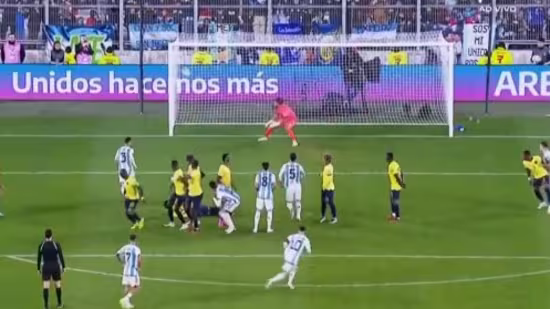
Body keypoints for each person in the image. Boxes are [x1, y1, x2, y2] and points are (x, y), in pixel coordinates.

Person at [37, 228, 65, 309]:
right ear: (51, 235)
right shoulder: (56, 244)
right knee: (58, 285)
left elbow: (39, 258)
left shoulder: (41, 245)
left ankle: (46, 306)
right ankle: (59, 304)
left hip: (46, 267)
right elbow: (60, 255)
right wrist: (63, 266)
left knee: (46, 286)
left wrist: (38, 269)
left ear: (45, 235)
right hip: (55, 266)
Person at [116, 234, 142, 309]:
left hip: (126, 270)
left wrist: (123, 262)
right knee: (136, 286)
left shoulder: (125, 247)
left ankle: (126, 304)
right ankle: (126, 299)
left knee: (127, 286)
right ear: (136, 240)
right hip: (133, 271)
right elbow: (139, 260)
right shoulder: (136, 249)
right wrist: (139, 267)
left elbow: (118, 254)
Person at [163, 160, 190, 230]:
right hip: (176, 193)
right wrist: (172, 185)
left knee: (176, 209)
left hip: (181, 194)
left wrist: (186, 188)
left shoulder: (179, 173)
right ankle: (172, 222)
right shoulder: (175, 173)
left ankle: (184, 223)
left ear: (175, 165)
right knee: (169, 205)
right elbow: (176, 181)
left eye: (173, 166)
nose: (172, 167)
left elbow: (185, 181)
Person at [279, 152, 305, 221]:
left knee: (289, 203)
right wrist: (300, 178)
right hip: (298, 186)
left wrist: (281, 183)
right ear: (296, 158)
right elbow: (303, 174)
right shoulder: (299, 166)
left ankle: (292, 211)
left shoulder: (285, 166)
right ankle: (298, 216)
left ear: (289, 158)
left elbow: (280, 175)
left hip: (289, 186)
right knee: (298, 201)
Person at [254, 162, 276, 233]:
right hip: (268, 196)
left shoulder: (259, 174)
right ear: (268, 167)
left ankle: (255, 228)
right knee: (269, 211)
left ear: (262, 167)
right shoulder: (272, 175)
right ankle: (268, 228)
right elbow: (274, 186)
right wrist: (270, 190)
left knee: (258, 211)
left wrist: (259, 190)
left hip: (260, 195)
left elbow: (256, 186)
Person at [387, 152, 406, 221]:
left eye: (387, 157)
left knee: (395, 202)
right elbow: (401, 173)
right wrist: (403, 182)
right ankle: (394, 215)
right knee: (393, 202)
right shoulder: (396, 164)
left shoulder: (392, 165)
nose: (386, 158)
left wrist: (401, 183)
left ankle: (397, 217)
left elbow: (396, 175)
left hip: (395, 187)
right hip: (395, 186)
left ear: (390, 157)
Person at [186, 160, 203, 232]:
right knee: (186, 208)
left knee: (194, 211)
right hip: (191, 193)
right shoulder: (193, 171)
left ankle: (196, 226)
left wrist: (183, 175)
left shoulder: (196, 173)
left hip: (197, 194)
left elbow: (189, 177)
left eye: (192, 164)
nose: (191, 165)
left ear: (194, 165)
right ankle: (192, 220)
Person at [320, 154, 337, 224]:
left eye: (324, 159)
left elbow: (329, 179)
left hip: (329, 189)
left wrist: (325, 187)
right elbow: (325, 174)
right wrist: (321, 174)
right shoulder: (326, 167)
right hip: (324, 188)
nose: (323, 160)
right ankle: (323, 216)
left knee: (330, 203)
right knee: (323, 203)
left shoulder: (329, 168)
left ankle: (334, 217)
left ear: (327, 160)